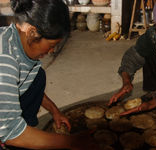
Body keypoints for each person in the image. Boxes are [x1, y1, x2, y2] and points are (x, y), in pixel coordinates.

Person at [0, 0, 99, 149]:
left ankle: (26, 133)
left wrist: (55, 112)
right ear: (32, 32)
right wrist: (71, 142)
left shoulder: (18, 38)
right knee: (13, 137)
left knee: (38, 75)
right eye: (52, 45)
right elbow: (10, 132)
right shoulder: (5, 61)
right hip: (5, 129)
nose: (52, 51)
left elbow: (26, 81)